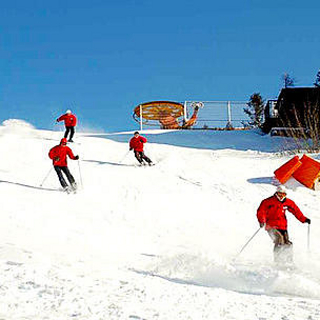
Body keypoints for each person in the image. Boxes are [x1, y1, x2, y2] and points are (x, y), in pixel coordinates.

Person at [257, 185, 311, 263]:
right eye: (279, 194)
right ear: (276, 193)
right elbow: (261, 211)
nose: (281, 196)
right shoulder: (268, 201)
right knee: (279, 239)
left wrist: (304, 219)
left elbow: (296, 211)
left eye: (283, 194)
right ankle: (277, 261)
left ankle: (289, 261)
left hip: (282, 226)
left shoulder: (288, 202)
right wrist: (262, 221)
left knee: (287, 243)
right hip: (271, 225)